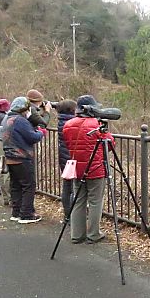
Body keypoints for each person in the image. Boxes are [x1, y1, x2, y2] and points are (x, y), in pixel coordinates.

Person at [63, 95, 113, 244]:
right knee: (95, 201)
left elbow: (68, 144)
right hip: (95, 168)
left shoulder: (68, 124)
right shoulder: (96, 124)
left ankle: (77, 235)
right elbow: (109, 144)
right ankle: (93, 234)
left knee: (78, 200)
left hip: (77, 168)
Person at [1, 97, 46, 224]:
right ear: (24, 109)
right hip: (22, 156)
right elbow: (32, 137)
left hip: (10, 157)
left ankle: (16, 212)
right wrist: (41, 132)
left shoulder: (7, 118)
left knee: (15, 185)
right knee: (28, 185)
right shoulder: (20, 120)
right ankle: (26, 214)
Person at [56, 99, 77, 223]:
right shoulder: (71, 123)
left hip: (64, 157)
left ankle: (67, 215)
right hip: (72, 157)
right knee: (74, 188)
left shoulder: (61, 121)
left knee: (67, 186)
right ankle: (73, 216)